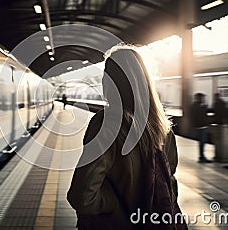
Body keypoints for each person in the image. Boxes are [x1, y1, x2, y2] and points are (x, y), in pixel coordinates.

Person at [67, 46, 187, 230]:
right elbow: (170, 184)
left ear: (110, 82)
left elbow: (82, 197)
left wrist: (113, 203)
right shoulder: (163, 128)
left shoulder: (107, 126)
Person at [190, 93, 212, 163]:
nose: (203, 99)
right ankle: (202, 157)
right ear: (199, 98)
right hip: (201, 127)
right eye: (202, 98)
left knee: (203, 142)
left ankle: (202, 156)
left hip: (201, 126)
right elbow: (201, 114)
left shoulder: (196, 106)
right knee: (202, 142)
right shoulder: (197, 106)